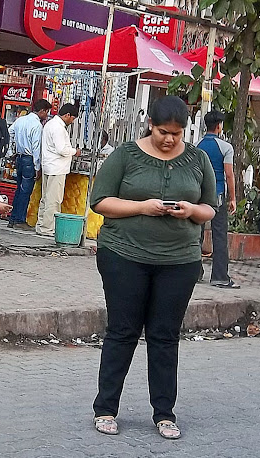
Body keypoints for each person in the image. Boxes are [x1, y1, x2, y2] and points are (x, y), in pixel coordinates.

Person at [89, 96, 216, 440]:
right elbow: (100, 201)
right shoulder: (125, 155)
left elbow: (211, 209)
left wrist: (190, 209)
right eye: (163, 131)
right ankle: (105, 408)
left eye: (176, 133)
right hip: (124, 256)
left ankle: (164, 413)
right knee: (122, 331)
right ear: (150, 124)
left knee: (164, 336)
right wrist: (142, 207)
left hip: (179, 261)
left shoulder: (198, 159)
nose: (169, 139)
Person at [197, 110, 239, 288]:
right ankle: (220, 277)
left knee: (195, 236)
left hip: (198, 196)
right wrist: (233, 198)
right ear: (219, 126)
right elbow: (229, 175)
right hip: (217, 196)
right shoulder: (226, 147)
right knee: (219, 235)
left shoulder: (197, 146)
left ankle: (195, 273)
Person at [35, 103, 81, 236]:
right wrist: (74, 151)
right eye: (72, 118)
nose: (72, 122)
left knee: (46, 198)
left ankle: (41, 225)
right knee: (53, 200)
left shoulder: (50, 124)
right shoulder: (58, 128)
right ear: (67, 115)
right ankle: (48, 228)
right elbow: (62, 149)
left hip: (49, 166)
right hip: (57, 168)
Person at [7, 99, 52, 230]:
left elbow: (9, 132)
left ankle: (13, 218)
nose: (47, 115)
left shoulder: (21, 120)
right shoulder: (37, 125)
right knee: (25, 191)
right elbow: (36, 148)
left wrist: (12, 150)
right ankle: (19, 219)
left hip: (19, 158)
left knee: (19, 189)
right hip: (29, 160)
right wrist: (38, 167)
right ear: (42, 111)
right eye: (46, 112)